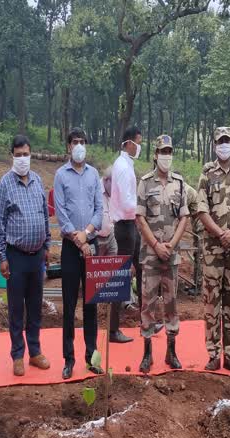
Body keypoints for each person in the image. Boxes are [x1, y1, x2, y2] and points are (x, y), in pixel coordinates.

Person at [0, 135, 51, 376]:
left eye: (26, 154)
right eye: (18, 155)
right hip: (15, 255)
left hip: (37, 255)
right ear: (12, 156)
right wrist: (2, 257)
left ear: (31, 154)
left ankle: (35, 351)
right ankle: (18, 353)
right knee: (17, 307)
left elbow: (45, 216)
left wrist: (47, 245)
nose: (22, 158)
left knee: (35, 306)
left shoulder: (38, 180)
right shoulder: (5, 184)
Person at [196, 127, 230, 376]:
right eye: (220, 141)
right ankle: (213, 354)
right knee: (211, 300)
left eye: (228, 140)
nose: (224, 144)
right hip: (213, 247)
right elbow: (201, 209)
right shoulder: (207, 173)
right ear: (215, 145)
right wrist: (220, 233)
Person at [136, 135, 189, 373]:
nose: (166, 155)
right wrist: (156, 245)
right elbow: (140, 218)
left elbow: (184, 217)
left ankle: (172, 350)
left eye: (169, 150)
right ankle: (147, 352)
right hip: (150, 254)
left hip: (172, 255)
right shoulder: (145, 182)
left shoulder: (179, 183)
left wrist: (172, 244)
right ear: (155, 154)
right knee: (147, 303)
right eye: (162, 151)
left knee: (171, 302)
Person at [54, 128, 103, 380]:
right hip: (70, 249)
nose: (80, 146)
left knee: (91, 304)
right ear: (68, 147)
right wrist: (78, 239)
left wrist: (87, 233)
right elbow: (61, 214)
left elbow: (99, 209)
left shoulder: (94, 174)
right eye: (75, 142)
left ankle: (92, 356)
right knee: (70, 303)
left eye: (83, 141)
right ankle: (68, 358)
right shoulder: (61, 175)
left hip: (91, 244)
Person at [108, 126, 144, 344]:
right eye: (138, 142)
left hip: (131, 225)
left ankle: (145, 319)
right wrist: (143, 208)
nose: (140, 146)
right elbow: (127, 202)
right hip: (125, 225)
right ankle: (113, 329)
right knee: (121, 276)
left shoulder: (127, 165)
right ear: (129, 143)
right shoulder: (121, 167)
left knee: (141, 268)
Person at [184, 183, 204, 296]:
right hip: (196, 223)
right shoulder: (184, 189)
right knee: (197, 255)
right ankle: (195, 284)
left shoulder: (186, 190)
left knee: (199, 256)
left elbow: (181, 213)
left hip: (201, 224)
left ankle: (198, 287)